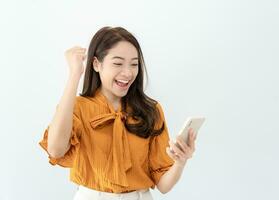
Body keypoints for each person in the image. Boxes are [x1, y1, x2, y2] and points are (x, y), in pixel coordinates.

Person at [39, 26, 197, 200]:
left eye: (134, 64)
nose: (128, 73)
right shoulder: (78, 108)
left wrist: (180, 162)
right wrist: (75, 74)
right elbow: (55, 150)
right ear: (96, 64)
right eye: (118, 63)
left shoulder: (151, 111)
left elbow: (163, 185)